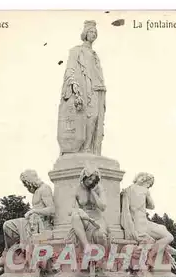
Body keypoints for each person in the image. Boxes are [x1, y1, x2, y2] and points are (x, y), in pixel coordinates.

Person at [57, 20, 106, 155]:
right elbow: (70, 69)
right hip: (85, 90)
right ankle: (85, 148)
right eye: (91, 32)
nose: (93, 35)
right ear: (85, 33)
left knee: (96, 119)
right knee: (89, 116)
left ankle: (90, 148)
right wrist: (73, 84)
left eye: (95, 32)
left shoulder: (96, 55)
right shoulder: (77, 51)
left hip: (98, 89)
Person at [121, 172, 176, 263]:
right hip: (142, 224)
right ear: (146, 182)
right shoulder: (145, 190)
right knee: (169, 237)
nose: (149, 186)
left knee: (162, 228)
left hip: (137, 223)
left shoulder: (127, 190)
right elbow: (152, 206)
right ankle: (151, 256)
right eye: (149, 184)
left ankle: (165, 247)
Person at [68, 164, 109, 251]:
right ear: (84, 177)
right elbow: (69, 211)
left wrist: (93, 192)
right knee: (75, 217)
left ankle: (102, 258)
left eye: (93, 180)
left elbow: (103, 207)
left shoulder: (99, 188)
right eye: (89, 179)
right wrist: (80, 212)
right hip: (85, 219)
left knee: (101, 235)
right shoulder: (76, 189)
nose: (91, 182)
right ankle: (86, 245)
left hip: (97, 219)